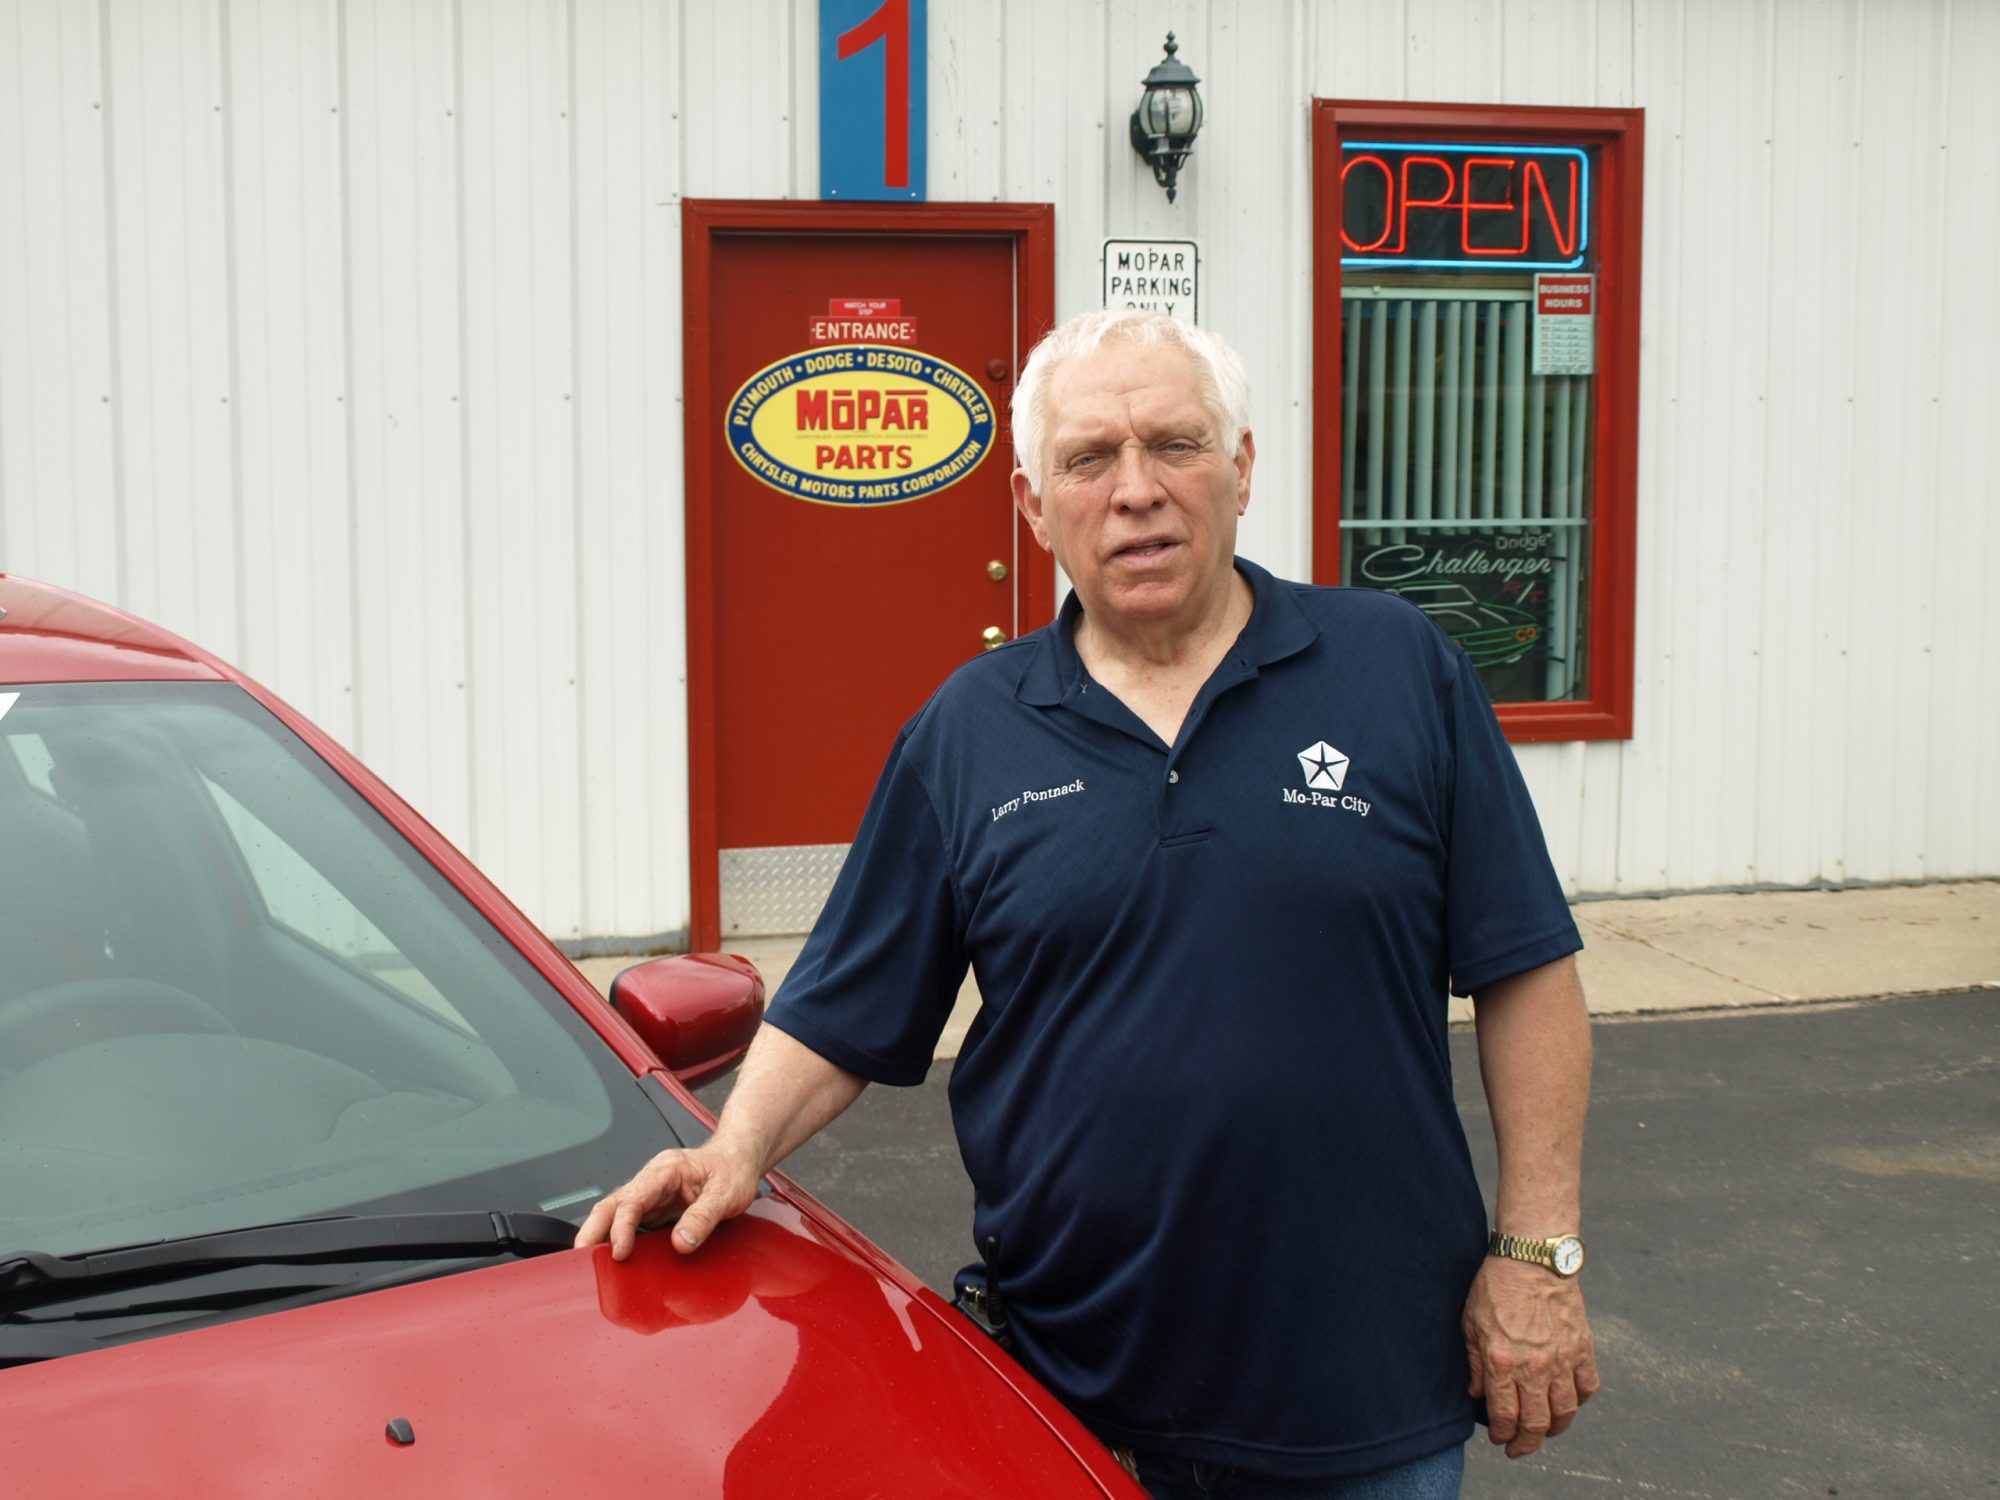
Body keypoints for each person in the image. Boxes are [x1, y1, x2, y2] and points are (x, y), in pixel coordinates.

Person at [577, 309, 1598, 1498]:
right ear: (1031, 504)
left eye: (1173, 445)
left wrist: (1536, 1256)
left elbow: (1525, 969)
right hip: (1067, 1397)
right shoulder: (969, 731)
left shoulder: (1396, 670)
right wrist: (732, 1149)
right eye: (1088, 459)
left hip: (1360, 1402)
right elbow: (844, 1006)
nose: (1135, 492)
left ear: (1243, 468)